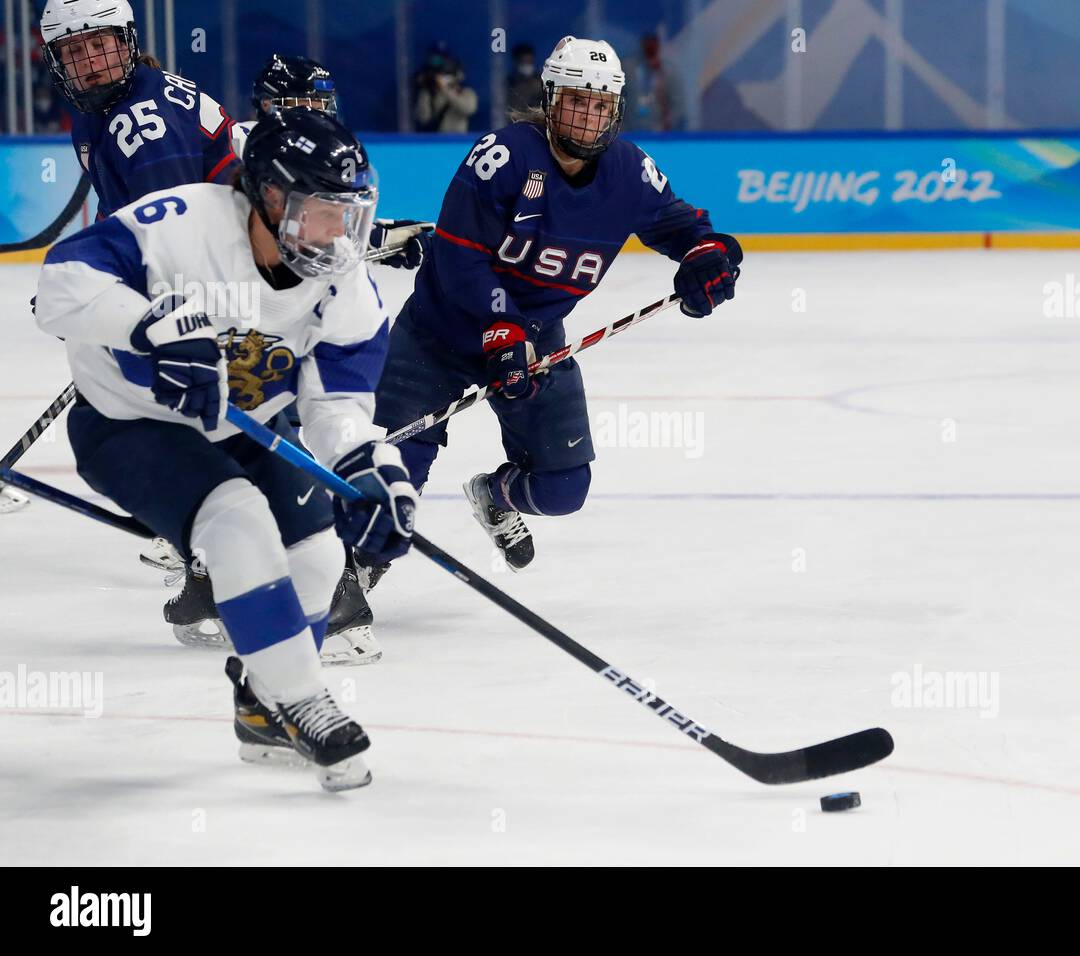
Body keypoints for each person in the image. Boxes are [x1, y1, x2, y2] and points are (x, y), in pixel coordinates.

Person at [34, 108, 416, 790]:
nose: (338, 235)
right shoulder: (180, 225)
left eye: (349, 214)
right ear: (271, 197)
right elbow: (58, 286)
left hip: (245, 424)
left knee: (323, 553)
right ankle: (302, 698)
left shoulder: (341, 277)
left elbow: (336, 401)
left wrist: (367, 465)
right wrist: (150, 328)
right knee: (236, 518)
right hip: (129, 425)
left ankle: (260, 702)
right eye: (323, 213)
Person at [349, 35, 740, 610]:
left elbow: (686, 228)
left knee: (563, 490)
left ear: (616, 110)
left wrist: (709, 254)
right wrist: (500, 325)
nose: (588, 115)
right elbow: (459, 257)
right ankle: (353, 574)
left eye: (601, 104)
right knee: (396, 466)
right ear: (551, 100)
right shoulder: (502, 158)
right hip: (437, 335)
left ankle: (496, 496)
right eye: (577, 100)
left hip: (535, 346)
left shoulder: (631, 172)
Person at [143, 52, 431, 665]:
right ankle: (271, 590)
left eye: (317, 105)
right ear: (268, 107)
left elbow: (319, 237)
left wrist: (382, 238)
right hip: (231, 332)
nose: (309, 116)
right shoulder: (249, 154)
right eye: (295, 105)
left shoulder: (323, 157)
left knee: (305, 450)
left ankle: (296, 593)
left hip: (288, 340)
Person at [39, 0, 237, 219]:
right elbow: (118, 216)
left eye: (99, 45)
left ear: (125, 48)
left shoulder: (144, 122)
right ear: (60, 63)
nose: (88, 60)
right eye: (74, 50)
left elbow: (172, 231)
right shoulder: (93, 118)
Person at [413, 43, 478, 133]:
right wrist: (425, 90)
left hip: (458, 140)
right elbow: (423, 118)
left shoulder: (466, 93)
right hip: (436, 142)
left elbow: (469, 109)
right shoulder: (431, 94)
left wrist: (445, 89)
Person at [505, 43, 542, 115]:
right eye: (524, 62)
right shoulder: (510, 83)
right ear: (517, 62)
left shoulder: (541, 81)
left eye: (529, 62)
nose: (527, 65)